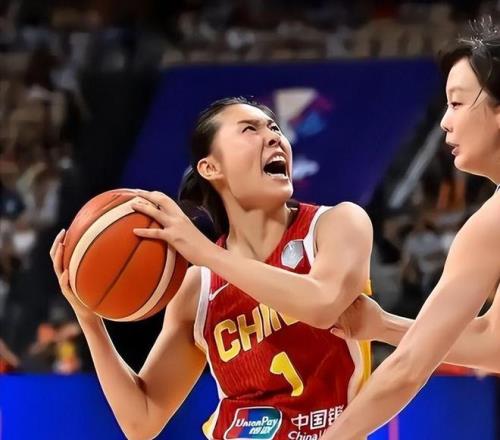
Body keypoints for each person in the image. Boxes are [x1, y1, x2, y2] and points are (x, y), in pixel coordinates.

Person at [50, 97, 373, 440]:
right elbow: (141, 421)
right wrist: (89, 319)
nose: (274, 137)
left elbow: (323, 306)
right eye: (250, 130)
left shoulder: (336, 224)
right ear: (210, 167)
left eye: (275, 128)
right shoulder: (198, 288)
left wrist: (205, 252)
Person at [322, 19, 500, 440]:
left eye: (457, 103)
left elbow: (407, 368)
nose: (444, 122)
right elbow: (494, 342)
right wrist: (384, 326)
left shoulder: (490, 226)